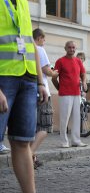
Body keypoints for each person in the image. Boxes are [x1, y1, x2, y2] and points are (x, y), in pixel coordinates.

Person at [0, 0, 48, 193]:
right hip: (3, 80)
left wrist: (40, 82)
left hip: (28, 82)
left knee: (22, 142)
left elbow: (29, 45)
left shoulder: (23, 4)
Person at [30, 28, 59, 169]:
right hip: (42, 92)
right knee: (44, 127)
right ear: (40, 37)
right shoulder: (39, 49)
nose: (44, 42)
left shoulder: (27, 48)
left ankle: (32, 158)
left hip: (28, 92)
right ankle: (29, 154)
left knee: (32, 128)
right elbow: (47, 70)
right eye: (44, 39)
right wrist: (55, 73)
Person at [52, 41, 88, 148]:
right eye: (69, 47)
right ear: (65, 48)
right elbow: (54, 78)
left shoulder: (78, 61)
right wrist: (59, 88)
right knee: (64, 118)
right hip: (65, 94)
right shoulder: (60, 61)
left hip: (76, 93)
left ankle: (76, 140)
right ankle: (64, 141)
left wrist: (84, 82)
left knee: (76, 118)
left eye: (73, 47)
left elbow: (83, 73)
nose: (71, 49)